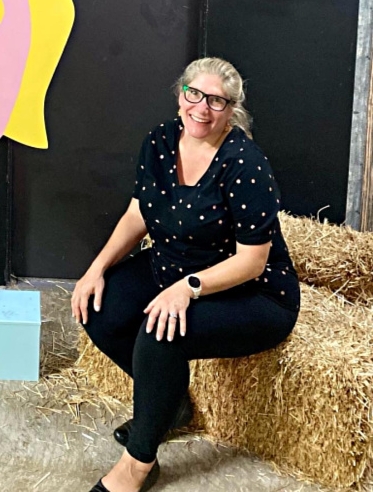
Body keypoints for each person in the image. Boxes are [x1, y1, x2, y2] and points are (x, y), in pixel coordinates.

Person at [71, 58, 300, 492]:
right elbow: (139, 211)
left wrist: (188, 288)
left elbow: (252, 261)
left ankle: (137, 466)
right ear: (181, 95)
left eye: (217, 100)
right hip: (173, 265)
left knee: (160, 333)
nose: (202, 107)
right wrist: (96, 269)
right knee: (98, 308)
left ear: (231, 110)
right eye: (195, 94)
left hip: (251, 291)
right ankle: (171, 405)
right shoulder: (159, 142)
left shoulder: (245, 164)